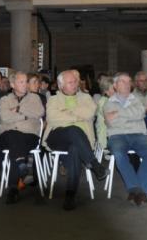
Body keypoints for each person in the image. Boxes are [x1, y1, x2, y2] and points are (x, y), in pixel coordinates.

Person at [43, 70, 108, 211]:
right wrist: (76, 117)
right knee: (73, 129)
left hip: (82, 141)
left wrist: (65, 113)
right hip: (57, 137)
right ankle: (94, 163)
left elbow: (89, 113)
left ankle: (70, 195)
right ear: (61, 86)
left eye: (75, 82)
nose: (74, 84)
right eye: (70, 82)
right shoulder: (53, 99)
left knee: (74, 148)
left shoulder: (86, 97)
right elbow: (52, 118)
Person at [104, 72, 147, 206]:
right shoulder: (108, 102)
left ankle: (137, 190)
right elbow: (111, 122)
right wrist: (132, 115)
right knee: (119, 153)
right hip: (117, 135)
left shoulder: (136, 99)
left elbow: (141, 113)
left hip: (138, 134)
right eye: (123, 82)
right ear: (115, 86)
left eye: (129, 82)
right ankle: (138, 190)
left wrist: (118, 114)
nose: (127, 84)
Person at [0, 71, 45, 204]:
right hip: (8, 135)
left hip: (29, 135)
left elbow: (39, 112)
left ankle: (14, 184)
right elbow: (5, 117)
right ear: (13, 84)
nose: (25, 84)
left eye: (26, 81)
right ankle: (20, 171)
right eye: (21, 82)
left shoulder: (34, 98)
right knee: (14, 136)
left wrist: (17, 110)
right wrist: (25, 116)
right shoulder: (5, 99)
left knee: (15, 143)